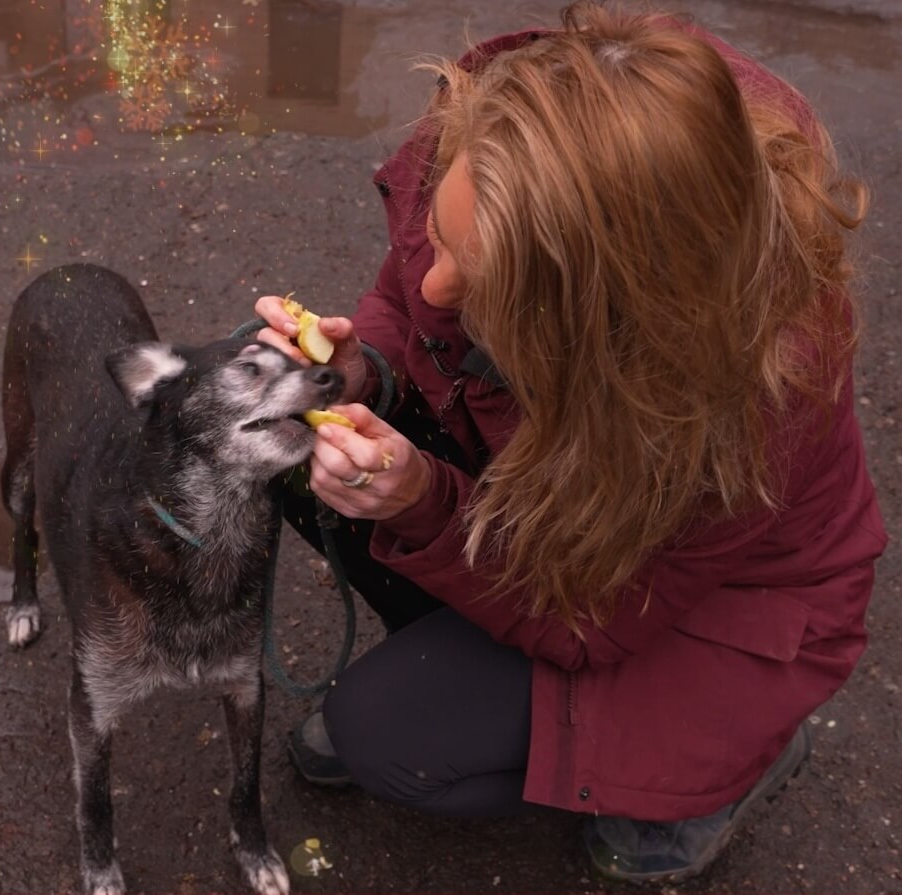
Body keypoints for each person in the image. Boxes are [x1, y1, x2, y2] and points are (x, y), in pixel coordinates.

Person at [252, 1, 888, 883]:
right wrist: (363, 372)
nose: (434, 282)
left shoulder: (737, 411)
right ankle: (462, 661)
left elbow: (591, 616)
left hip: (704, 613)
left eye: (490, 289)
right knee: (282, 443)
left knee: (386, 742)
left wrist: (425, 502)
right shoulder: (518, 145)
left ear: (600, 321)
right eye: (439, 231)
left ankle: (726, 772)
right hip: (552, 496)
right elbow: (407, 307)